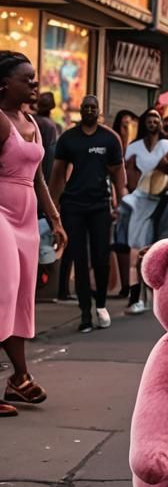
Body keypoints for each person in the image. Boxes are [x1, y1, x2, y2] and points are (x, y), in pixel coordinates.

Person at [1, 54, 66, 417]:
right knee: (4, 291)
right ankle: (20, 375)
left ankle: (19, 379)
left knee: (22, 297)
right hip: (1, 216)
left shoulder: (30, 121)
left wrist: (55, 219)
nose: (34, 84)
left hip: (26, 219)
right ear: (4, 85)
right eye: (26, 79)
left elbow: (39, 176)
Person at [49, 94, 126, 333]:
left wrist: (121, 203)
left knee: (101, 257)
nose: (89, 111)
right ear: (80, 111)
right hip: (74, 205)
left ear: (99, 111)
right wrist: (53, 207)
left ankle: (100, 303)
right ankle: (84, 313)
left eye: (93, 107)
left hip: (100, 205)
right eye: (85, 107)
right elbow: (58, 173)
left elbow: (117, 174)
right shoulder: (69, 139)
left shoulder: (109, 138)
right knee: (79, 259)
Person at [122, 108, 168, 314]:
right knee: (136, 250)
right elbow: (126, 173)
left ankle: (163, 297)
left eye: (157, 117)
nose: (153, 121)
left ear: (161, 122)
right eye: (149, 117)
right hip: (141, 201)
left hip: (164, 202)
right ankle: (135, 297)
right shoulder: (134, 147)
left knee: (161, 250)